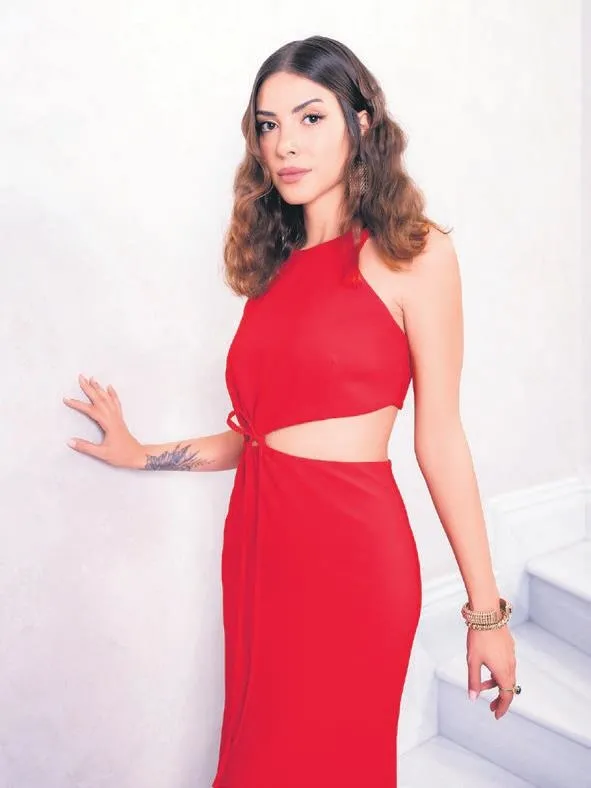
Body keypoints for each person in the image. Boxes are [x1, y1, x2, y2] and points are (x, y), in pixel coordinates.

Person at [64, 35, 520, 788]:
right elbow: (258, 438)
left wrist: (486, 615)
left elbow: (439, 438)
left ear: (360, 124)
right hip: (259, 552)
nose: (285, 144)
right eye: (268, 125)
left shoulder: (414, 253)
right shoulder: (270, 272)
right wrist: (142, 453)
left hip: (350, 560)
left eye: (310, 118)